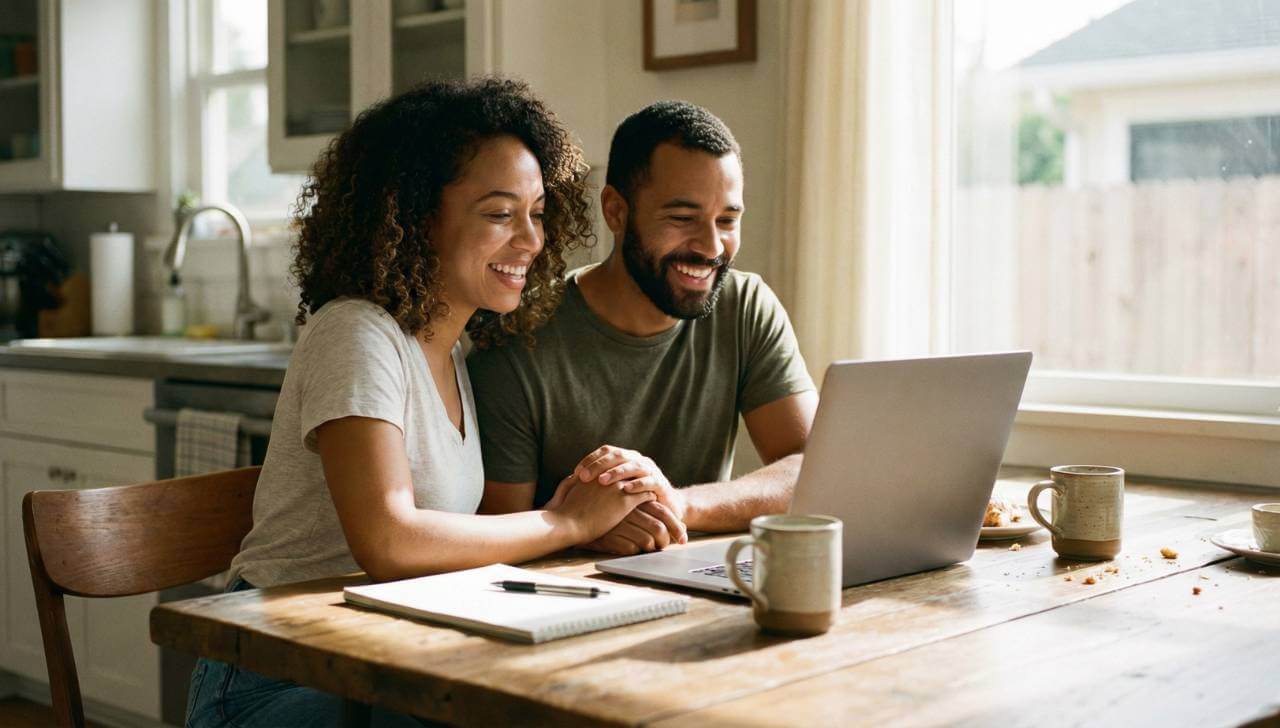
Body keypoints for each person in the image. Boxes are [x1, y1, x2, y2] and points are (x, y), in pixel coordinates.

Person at [185, 78, 655, 728]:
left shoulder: (453, 351)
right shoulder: (356, 332)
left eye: (538, 212)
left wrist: (598, 507)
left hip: (382, 652)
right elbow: (390, 540)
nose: (531, 240)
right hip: (275, 672)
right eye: (500, 214)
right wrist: (567, 522)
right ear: (415, 216)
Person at [468, 100, 819, 555]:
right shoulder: (517, 338)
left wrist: (679, 504)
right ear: (616, 211)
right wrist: (590, 530)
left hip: (702, 574)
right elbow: (496, 538)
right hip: (573, 587)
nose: (711, 247)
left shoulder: (746, 306)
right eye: (683, 219)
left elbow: (814, 471)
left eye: (727, 221)